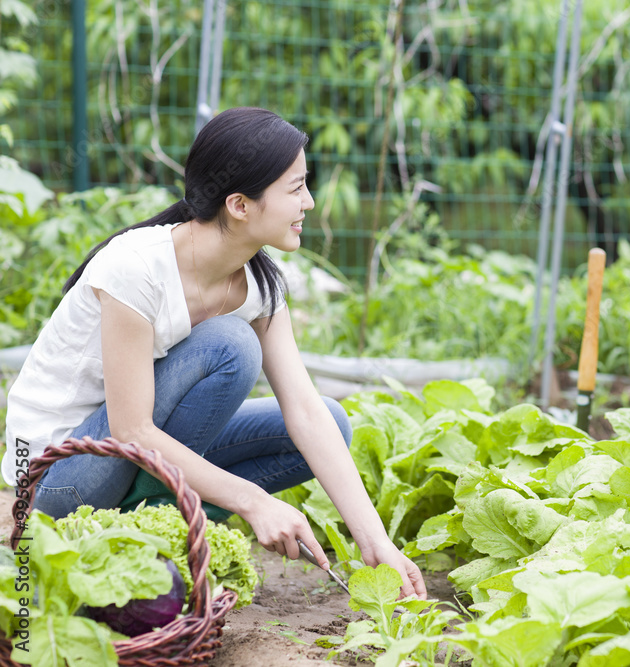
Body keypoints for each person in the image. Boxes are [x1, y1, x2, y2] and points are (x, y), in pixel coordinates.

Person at [2, 107, 426, 599]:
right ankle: (147, 522)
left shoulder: (260, 286)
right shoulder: (135, 268)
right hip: (56, 482)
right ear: (240, 205)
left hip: (130, 464)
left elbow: (306, 412)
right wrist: (253, 501)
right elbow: (131, 429)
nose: (309, 202)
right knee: (230, 345)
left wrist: (376, 545)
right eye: (296, 188)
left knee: (332, 420)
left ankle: (147, 525)